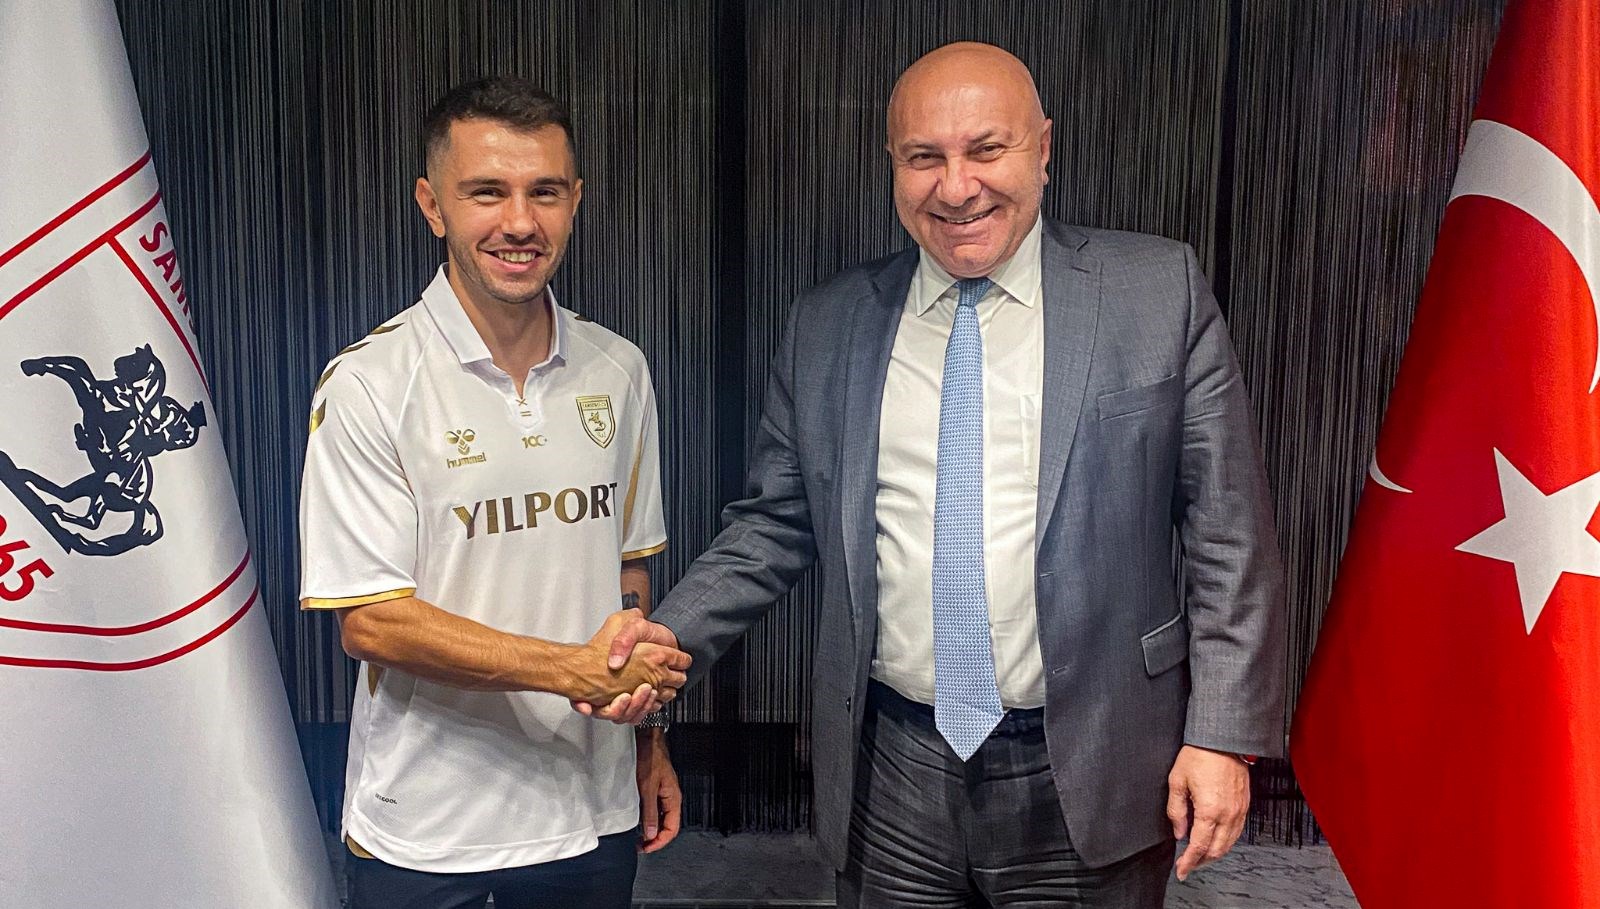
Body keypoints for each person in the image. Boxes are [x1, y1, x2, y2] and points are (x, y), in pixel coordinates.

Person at [599, 42, 1286, 907]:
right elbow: (773, 524)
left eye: (985, 149)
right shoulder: (829, 324)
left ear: (1043, 148)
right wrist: (662, 644)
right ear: (893, 165)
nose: (957, 188)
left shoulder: (1156, 293)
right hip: (892, 767)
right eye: (925, 157)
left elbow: (1230, 536)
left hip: (1097, 753)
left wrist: (1221, 734)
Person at [297, 76, 690, 909]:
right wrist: (569, 670)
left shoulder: (619, 368)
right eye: (486, 192)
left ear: (575, 201)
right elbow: (371, 620)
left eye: (544, 191)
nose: (519, 222)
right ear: (432, 205)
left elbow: (626, 571)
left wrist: (646, 735)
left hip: (591, 812)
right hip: (430, 826)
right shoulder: (370, 382)